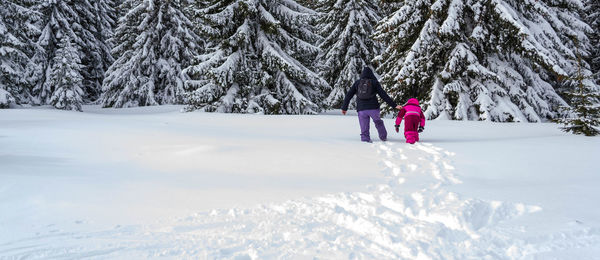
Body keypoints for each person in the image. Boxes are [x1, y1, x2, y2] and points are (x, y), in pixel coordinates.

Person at [341, 67, 402, 143]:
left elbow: (348, 95)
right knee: (378, 122)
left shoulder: (357, 83)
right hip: (374, 108)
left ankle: (365, 140)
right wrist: (394, 105)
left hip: (361, 109)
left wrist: (344, 108)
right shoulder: (374, 82)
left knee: (364, 125)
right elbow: (383, 95)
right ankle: (383, 137)